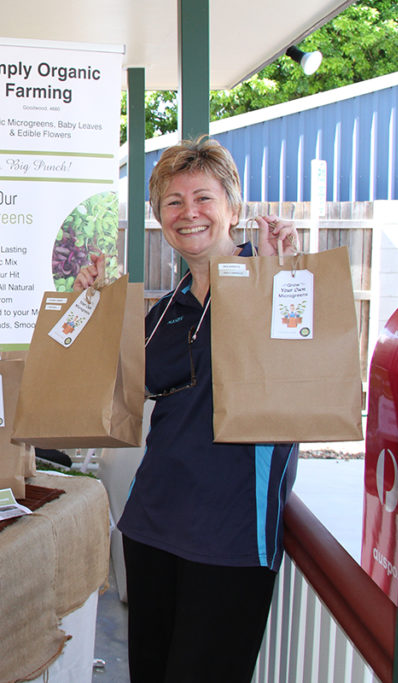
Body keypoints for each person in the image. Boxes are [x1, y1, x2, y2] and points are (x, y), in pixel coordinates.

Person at [75, 136, 299, 682]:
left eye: (203, 197)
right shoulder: (164, 312)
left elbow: (305, 380)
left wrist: (283, 280)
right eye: (172, 202)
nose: (189, 213)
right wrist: (91, 310)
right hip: (152, 526)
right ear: (159, 218)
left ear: (234, 210)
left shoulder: (280, 283)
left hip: (231, 538)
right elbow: (109, 396)